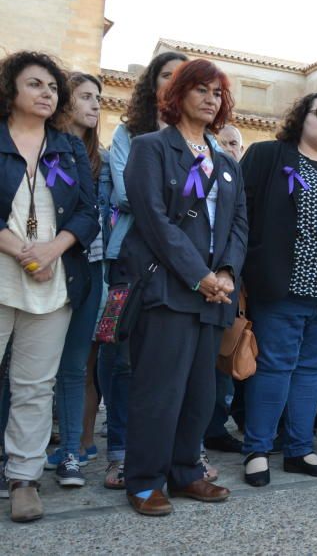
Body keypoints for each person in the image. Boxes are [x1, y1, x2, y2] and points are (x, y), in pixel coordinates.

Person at [115, 59, 247, 515]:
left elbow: (239, 226)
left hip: (215, 293)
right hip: (168, 288)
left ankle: (187, 470)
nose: (211, 99)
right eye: (201, 90)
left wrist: (226, 272)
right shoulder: (151, 147)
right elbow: (153, 220)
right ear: (179, 95)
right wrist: (200, 275)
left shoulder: (227, 162)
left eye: (217, 93)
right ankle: (146, 479)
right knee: (160, 389)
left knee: (200, 392)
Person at [239, 91, 317, 485]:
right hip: (282, 286)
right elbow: (242, 214)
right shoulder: (268, 156)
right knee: (275, 367)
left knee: (312, 369)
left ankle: (299, 448)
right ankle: (257, 449)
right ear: (301, 117)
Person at [0, 52, 99, 522]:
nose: (46, 93)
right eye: (34, 84)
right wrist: (25, 251)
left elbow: (87, 210)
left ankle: (24, 479)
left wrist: (52, 251)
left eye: (52, 87)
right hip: (5, 272)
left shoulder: (68, 146)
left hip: (53, 280)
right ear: (10, 91)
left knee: (35, 386)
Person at [101, 51, 190, 489]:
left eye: (183, 77)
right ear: (152, 84)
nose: (175, 83)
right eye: (167, 75)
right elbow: (127, 193)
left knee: (180, 366)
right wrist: (179, 214)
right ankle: (121, 453)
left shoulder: (200, 138)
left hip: (186, 265)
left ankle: (181, 456)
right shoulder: (129, 133)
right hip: (134, 259)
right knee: (125, 361)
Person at [46, 73, 113, 487]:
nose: (95, 105)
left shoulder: (102, 158)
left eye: (98, 98)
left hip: (89, 270)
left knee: (76, 366)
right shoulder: (37, 148)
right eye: (85, 97)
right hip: (38, 266)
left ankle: (72, 449)